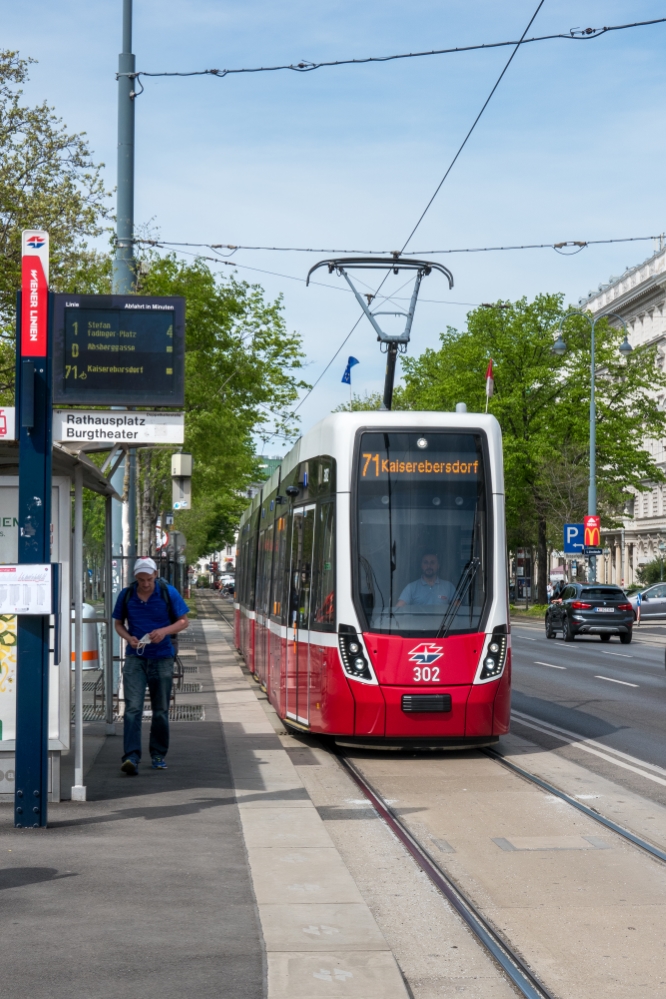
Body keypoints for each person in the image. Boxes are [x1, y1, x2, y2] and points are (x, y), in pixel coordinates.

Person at [113, 557, 190, 775]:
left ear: (155, 574)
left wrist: (164, 631)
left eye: (148, 579)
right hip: (135, 658)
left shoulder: (168, 592)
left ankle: (158, 754)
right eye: (141, 580)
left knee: (160, 710)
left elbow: (184, 621)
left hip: (162, 657)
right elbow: (118, 623)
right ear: (135, 578)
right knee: (133, 708)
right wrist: (129, 638)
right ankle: (131, 757)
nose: (145, 583)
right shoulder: (127, 595)